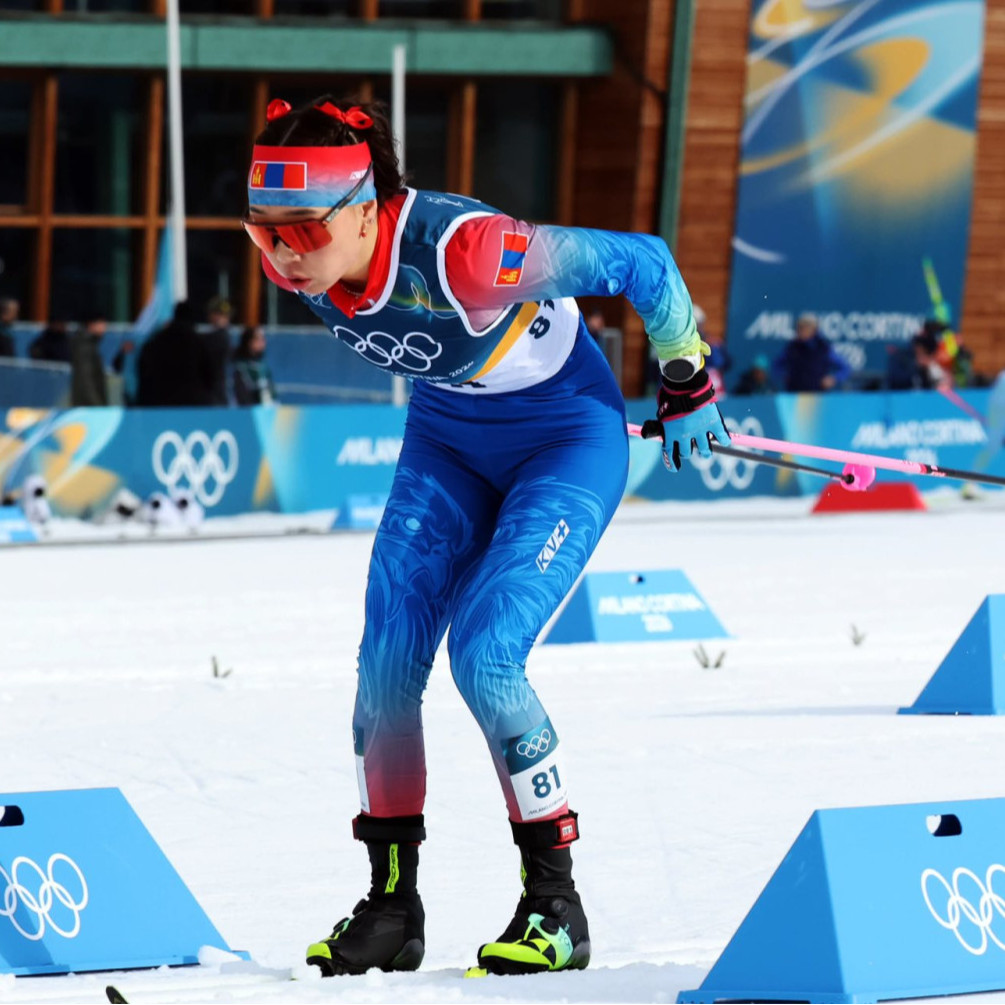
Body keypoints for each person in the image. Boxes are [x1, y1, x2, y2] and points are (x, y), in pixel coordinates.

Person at [242, 95, 728, 979]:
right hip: (447, 441)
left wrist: (685, 375)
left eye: (303, 230)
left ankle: (555, 906)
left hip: (562, 441)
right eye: (262, 231)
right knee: (385, 664)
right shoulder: (304, 262)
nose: (282, 254)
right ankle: (392, 907)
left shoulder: (469, 254)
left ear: (364, 212)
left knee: (486, 655)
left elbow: (645, 262)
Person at [136, 300, 214, 406]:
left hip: (160, 405)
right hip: (193, 405)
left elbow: (143, 372)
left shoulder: (156, 342)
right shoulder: (199, 344)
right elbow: (209, 376)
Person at [771, 312, 850, 392]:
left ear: (814, 330)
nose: (802, 331)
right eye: (800, 328)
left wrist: (833, 378)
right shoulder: (792, 347)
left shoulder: (823, 348)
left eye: (806, 327)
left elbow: (844, 367)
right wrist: (784, 375)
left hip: (817, 395)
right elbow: (776, 365)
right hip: (794, 394)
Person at [231, 324, 277, 404]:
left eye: (263, 339)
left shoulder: (263, 367)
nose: (262, 343)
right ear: (249, 342)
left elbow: (272, 394)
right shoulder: (239, 368)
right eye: (258, 339)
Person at [70, 315, 109, 406]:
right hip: (88, 406)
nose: (104, 328)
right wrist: (97, 405)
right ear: (91, 324)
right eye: (101, 324)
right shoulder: (84, 346)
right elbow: (86, 379)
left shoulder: (91, 344)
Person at [204, 296, 234, 405]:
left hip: (222, 392)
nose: (222, 318)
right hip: (213, 391)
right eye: (218, 314)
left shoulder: (224, 337)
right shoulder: (211, 338)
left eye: (225, 315)